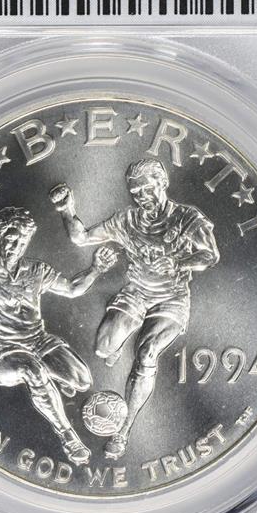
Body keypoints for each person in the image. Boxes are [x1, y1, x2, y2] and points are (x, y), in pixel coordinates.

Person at [0, 205, 117, 466]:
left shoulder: (36, 271)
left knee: (83, 380)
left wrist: (96, 269)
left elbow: (71, 288)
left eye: (22, 242)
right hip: (6, 351)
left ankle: (51, 382)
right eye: (12, 239)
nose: (16, 247)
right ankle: (67, 435)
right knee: (32, 370)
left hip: (39, 341)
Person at [50, 158, 219, 459]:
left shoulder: (187, 218)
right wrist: (66, 209)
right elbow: (80, 238)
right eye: (135, 191)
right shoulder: (127, 220)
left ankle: (124, 432)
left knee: (147, 352)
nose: (142, 196)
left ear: (162, 183)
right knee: (103, 347)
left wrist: (178, 262)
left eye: (147, 188)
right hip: (136, 293)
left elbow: (210, 255)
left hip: (171, 298)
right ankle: (117, 345)